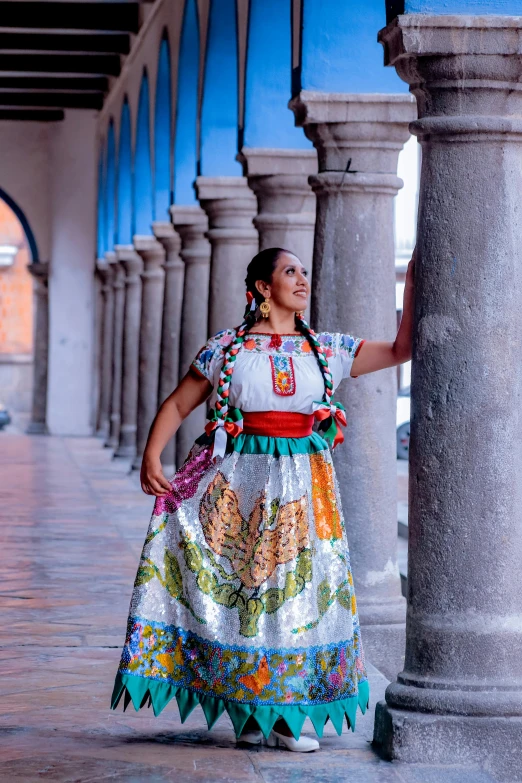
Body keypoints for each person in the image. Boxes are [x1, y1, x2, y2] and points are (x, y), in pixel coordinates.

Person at [111, 247, 414, 752]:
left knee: (293, 600)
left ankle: (287, 717)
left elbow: (401, 349)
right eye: (289, 272)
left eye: (304, 272)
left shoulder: (327, 349)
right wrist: (152, 455)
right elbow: (181, 402)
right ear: (261, 287)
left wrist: (414, 280)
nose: (302, 280)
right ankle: (249, 714)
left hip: (302, 488)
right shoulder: (227, 349)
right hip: (235, 483)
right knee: (243, 596)